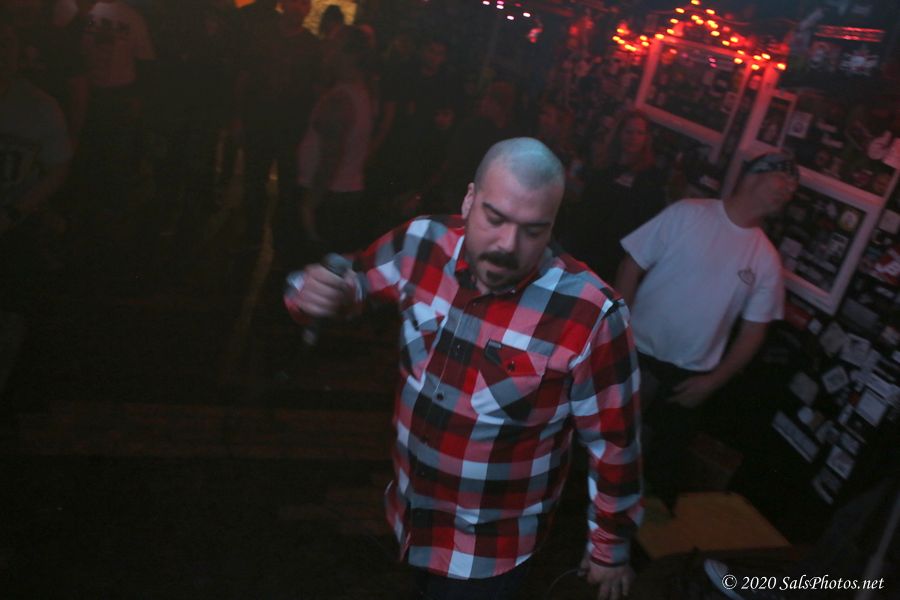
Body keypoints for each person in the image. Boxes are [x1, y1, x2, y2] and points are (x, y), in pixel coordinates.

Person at [285, 138, 643, 600]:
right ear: (470, 200)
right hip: (411, 517)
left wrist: (609, 547)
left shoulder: (591, 313)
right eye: (495, 218)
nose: (508, 245)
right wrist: (314, 292)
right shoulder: (422, 242)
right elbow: (350, 281)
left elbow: (615, 443)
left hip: (491, 551)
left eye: (533, 231)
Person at [614, 151, 797, 504]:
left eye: (793, 188)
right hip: (634, 353)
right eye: (783, 179)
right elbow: (630, 266)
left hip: (688, 376)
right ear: (753, 175)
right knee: (600, 441)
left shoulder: (766, 259)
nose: (788, 190)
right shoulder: (689, 213)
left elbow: (754, 333)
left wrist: (713, 382)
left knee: (655, 472)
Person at [558, 110, 666, 282]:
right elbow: (586, 206)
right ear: (619, 133)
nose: (633, 137)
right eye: (629, 131)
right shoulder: (604, 166)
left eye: (639, 133)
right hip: (580, 249)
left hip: (611, 262)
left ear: (647, 138)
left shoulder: (651, 178)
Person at [294, 25, 373, 254]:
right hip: (342, 193)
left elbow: (330, 159)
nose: (326, 51)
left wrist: (309, 204)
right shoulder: (359, 91)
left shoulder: (340, 101)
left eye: (333, 46)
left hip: (327, 198)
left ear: (350, 55)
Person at [0, 11, 71, 240]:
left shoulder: (42, 107)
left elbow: (58, 168)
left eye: (7, 43)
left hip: (16, 221)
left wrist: (15, 212)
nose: (1, 52)